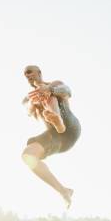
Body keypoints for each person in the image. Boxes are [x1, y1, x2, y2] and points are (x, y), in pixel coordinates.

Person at [21, 65, 81, 208]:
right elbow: (26, 107)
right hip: (57, 137)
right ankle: (64, 191)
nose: (28, 76)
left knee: (49, 94)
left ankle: (58, 120)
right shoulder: (30, 97)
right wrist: (32, 102)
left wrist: (49, 90)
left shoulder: (55, 84)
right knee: (28, 155)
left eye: (30, 72)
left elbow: (67, 91)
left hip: (70, 129)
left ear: (39, 72)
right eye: (25, 75)